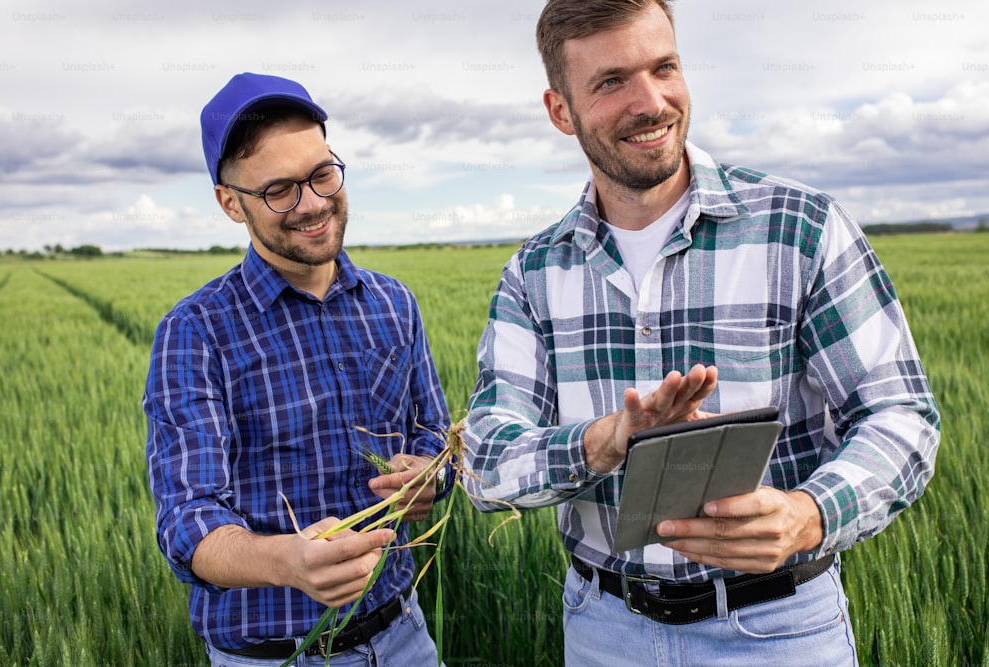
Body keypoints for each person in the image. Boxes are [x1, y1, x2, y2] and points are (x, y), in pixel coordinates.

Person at [462, 1, 941, 664]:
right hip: (606, 630)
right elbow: (485, 464)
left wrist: (811, 511)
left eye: (665, 67)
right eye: (610, 82)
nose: (651, 101)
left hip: (782, 627)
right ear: (560, 110)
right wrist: (604, 442)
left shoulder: (801, 228)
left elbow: (901, 413)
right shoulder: (534, 273)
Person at [143, 72, 451, 666]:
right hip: (273, 657)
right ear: (230, 202)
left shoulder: (394, 303)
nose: (311, 203)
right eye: (279, 189)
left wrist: (429, 475)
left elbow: (434, 435)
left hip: (404, 638)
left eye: (321, 174)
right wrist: (287, 562)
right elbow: (187, 519)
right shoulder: (196, 331)